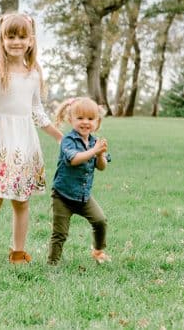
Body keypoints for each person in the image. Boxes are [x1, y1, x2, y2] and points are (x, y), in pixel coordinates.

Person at [0, 12, 63, 265]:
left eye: (22, 37)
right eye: (11, 36)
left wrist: (59, 137)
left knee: (21, 201)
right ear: (2, 39)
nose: (16, 42)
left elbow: (36, 111)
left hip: (24, 143)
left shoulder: (34, 74)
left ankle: (18, 251)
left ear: (31, 40)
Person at [47, 97, 111, 266]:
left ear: (97, 122)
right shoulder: (68, 140)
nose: (85, 123)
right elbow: (74, 159)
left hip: (83, 196)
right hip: (63, 196)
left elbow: (102, 167)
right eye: (80, 118)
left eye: (90, 119)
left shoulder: (94, 142)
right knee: (60, 233)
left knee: (100, 221)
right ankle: (53, 263)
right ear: (71, 119)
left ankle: (98, 251)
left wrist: (100, 154)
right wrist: (94, 150)